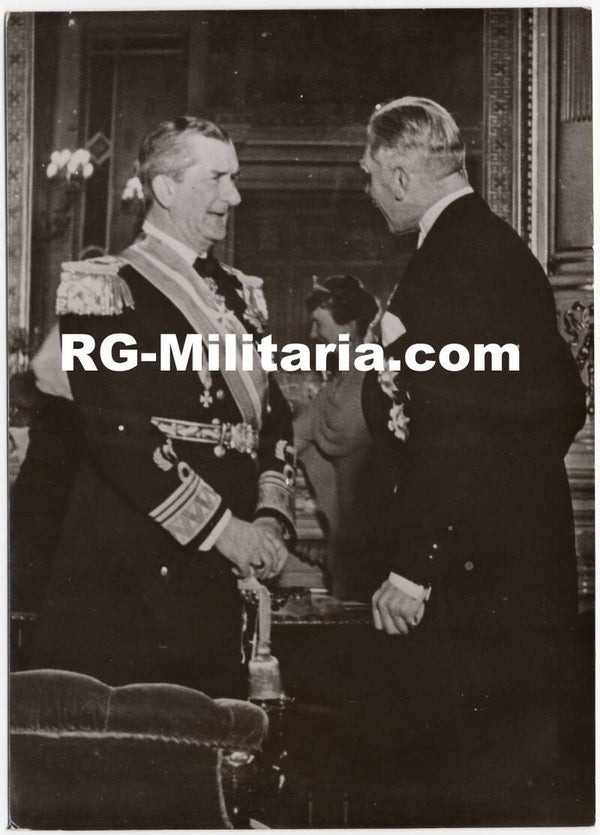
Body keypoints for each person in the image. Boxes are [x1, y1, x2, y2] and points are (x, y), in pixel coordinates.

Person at [360, 97, 586, 810]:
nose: (368, 189)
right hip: (514, 567)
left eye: (370, 174)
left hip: (471, 580)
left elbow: (453, 428)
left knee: (471, 787)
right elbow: (566, 402)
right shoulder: (494, 246)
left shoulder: (451, 261)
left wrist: (414, 567)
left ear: (401, 176)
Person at [31, 116, 296, 698]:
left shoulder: (239, 294)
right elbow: (119, 435)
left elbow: (273, 418)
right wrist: (225, 530)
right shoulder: (105, 290)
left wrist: (268, 519)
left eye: (234, 178)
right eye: (218, 178)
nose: (235, 196)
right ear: (166, 189)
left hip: (225, 565)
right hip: (140, 566)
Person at [293, 275, 380, 600]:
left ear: (349, 326)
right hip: (346, 535)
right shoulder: (340, 380)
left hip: (371, 535)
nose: (313, 335)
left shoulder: (374, 377)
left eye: (319, 324)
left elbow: (338, 430)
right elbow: (293, 437)